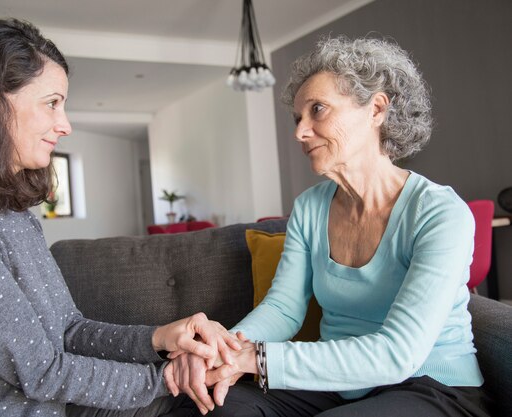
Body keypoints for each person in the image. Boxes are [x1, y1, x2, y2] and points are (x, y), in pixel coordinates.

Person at [0, 18, 239, 417]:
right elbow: (44, 372)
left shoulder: (11, 212)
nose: (65, 125)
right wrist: (168, 379)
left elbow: (68, 331)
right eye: (52, 102)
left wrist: (160, 339)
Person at [166, 36, 492, 417]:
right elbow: (284, 309)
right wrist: (220, 353)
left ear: (376, 109)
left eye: (317, 110)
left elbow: (398, 353)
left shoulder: (439, 212)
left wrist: (259, 359)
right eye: (298, 118)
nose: (300, 132)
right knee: (217, 406)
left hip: (432, 386)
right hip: (339, 384)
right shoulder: (309, 208)